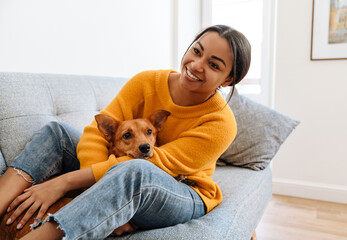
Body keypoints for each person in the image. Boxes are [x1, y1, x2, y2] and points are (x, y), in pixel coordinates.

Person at [0, 24, 251, 239]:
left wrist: (63, 183)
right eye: (196, 51)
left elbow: (154, 163)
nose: (196, 65)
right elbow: (99, 131)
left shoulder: (222, 123)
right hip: (123, 170)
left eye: (214, 65)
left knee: (136, 169)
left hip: (184, 192)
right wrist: (101, 194)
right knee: (58, 133)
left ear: (228, 79)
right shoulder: (147, 82)